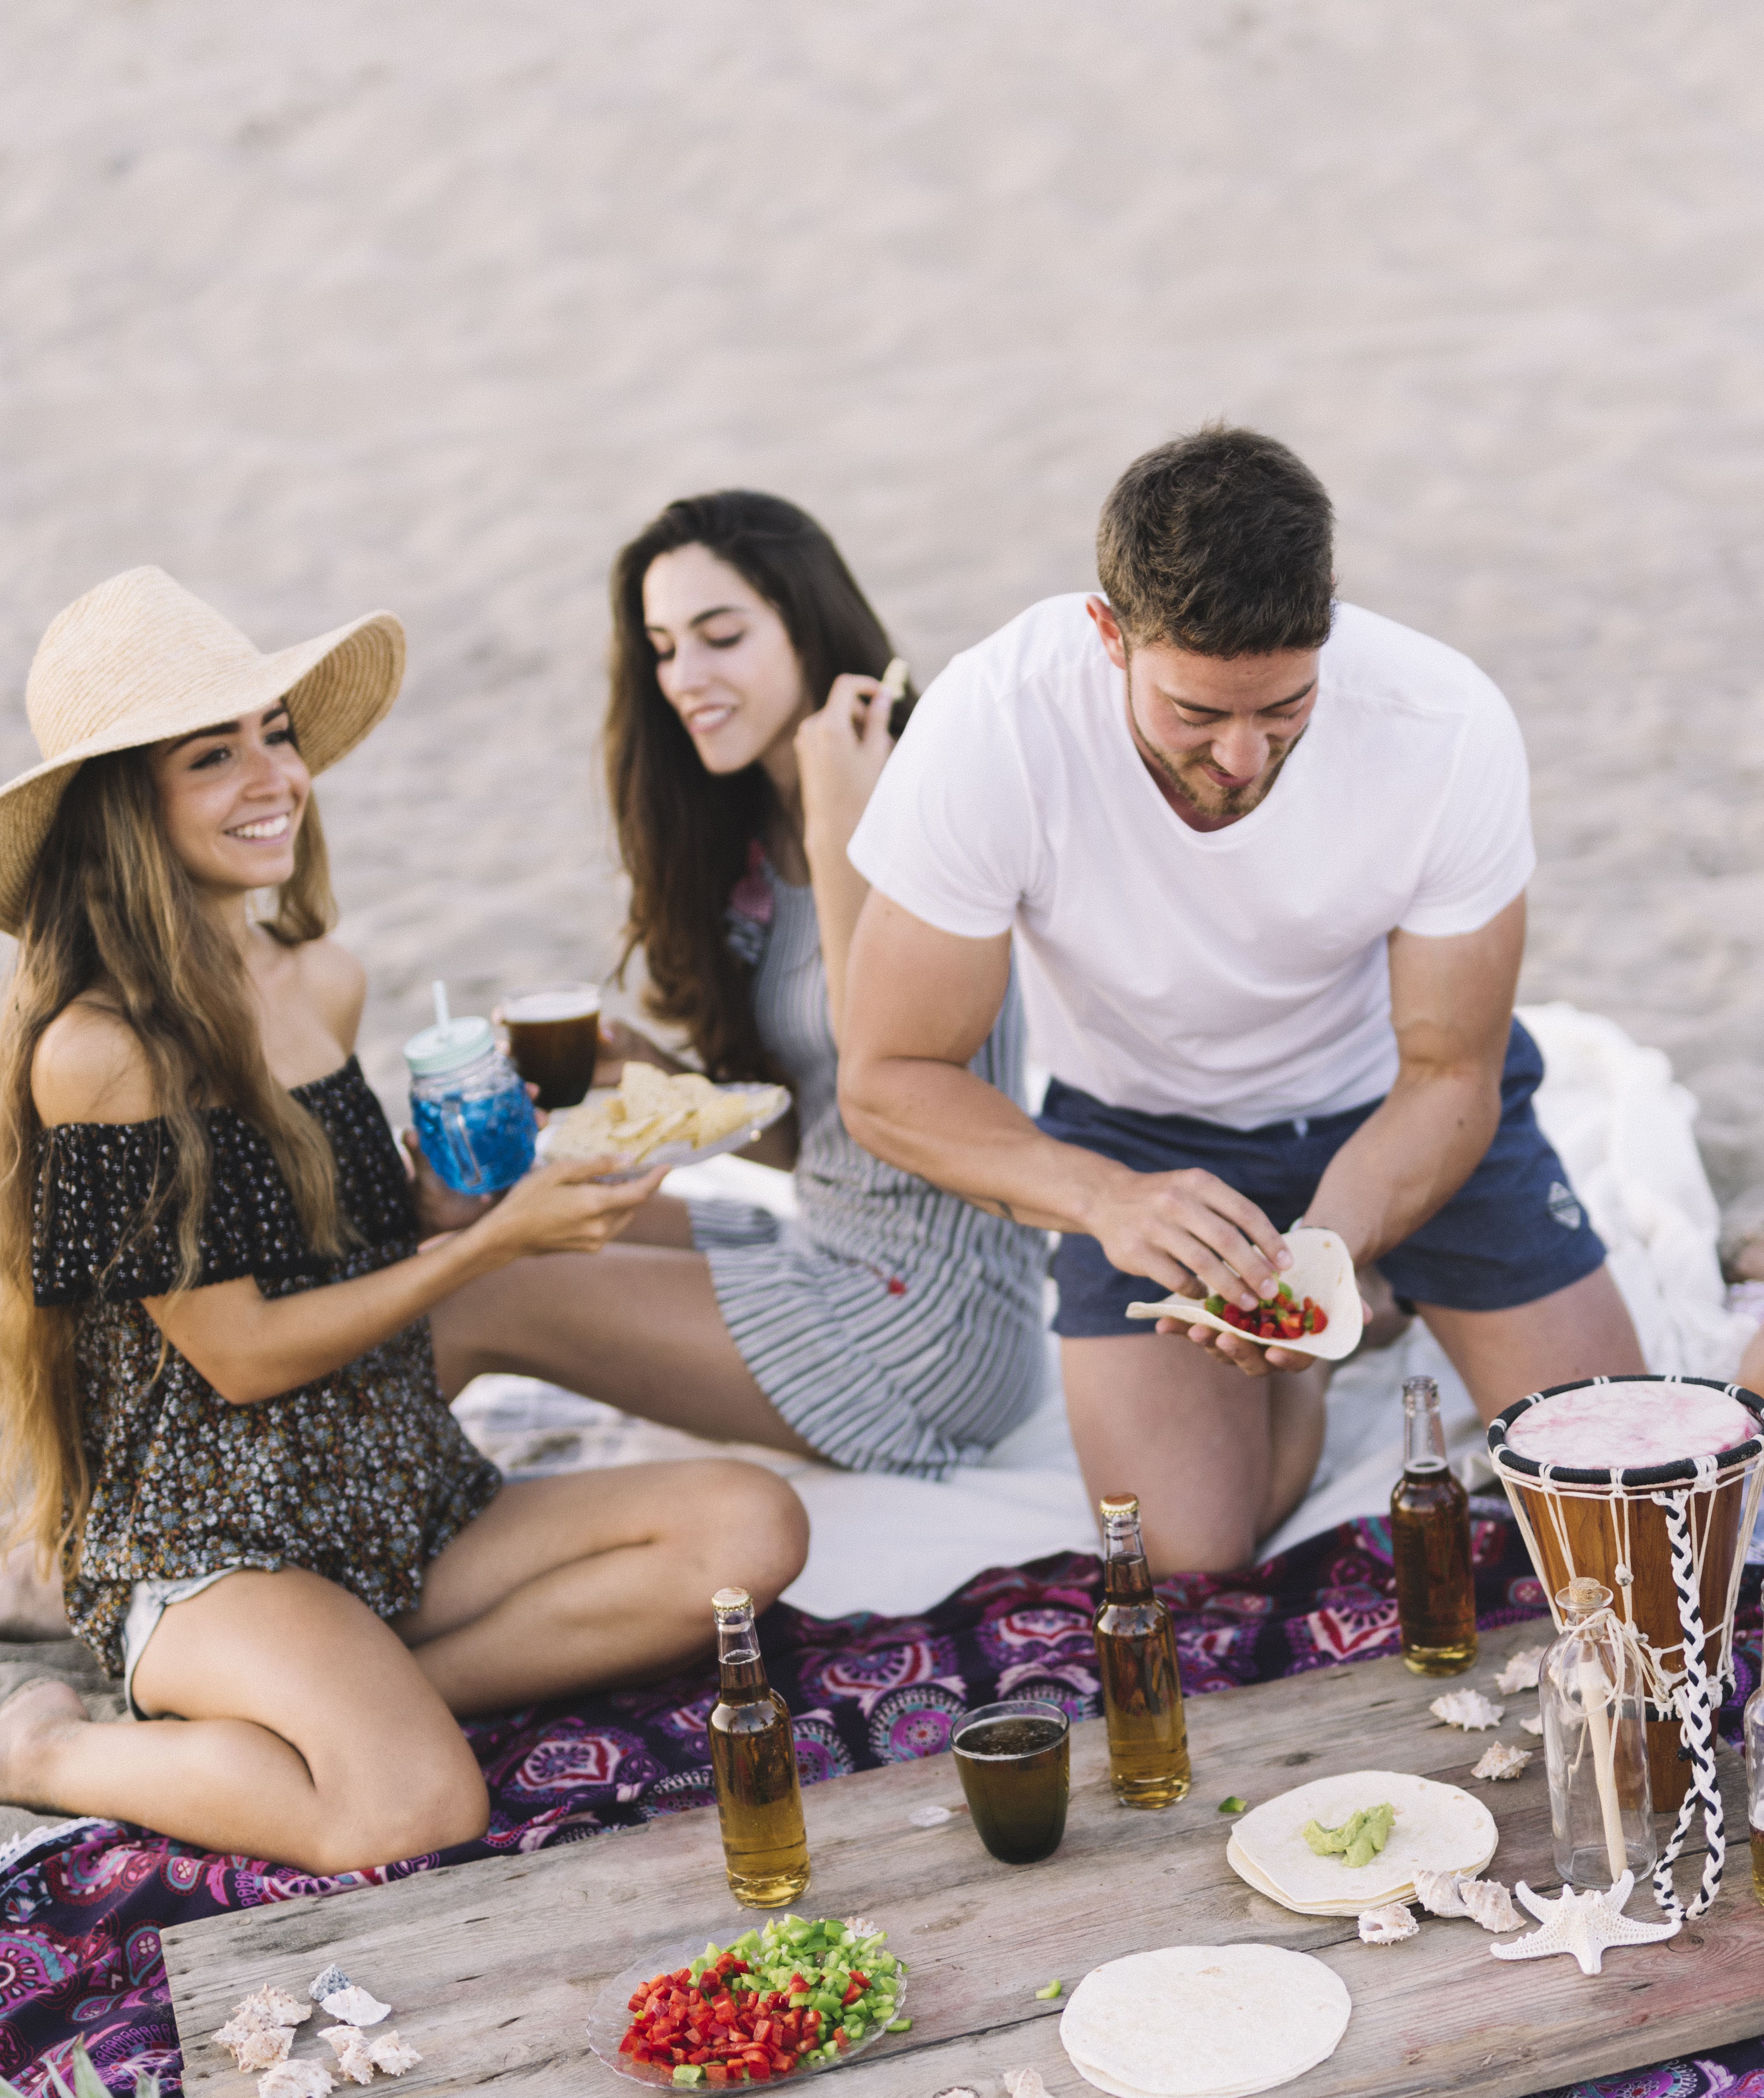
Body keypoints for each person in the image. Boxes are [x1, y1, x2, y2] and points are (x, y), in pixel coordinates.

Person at [0, 567, 806, 1873]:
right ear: (125, 812)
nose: (277, 777)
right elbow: (239, 1353)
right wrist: (490, 1247)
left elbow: (355, 1243)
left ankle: (361, 1688)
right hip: (220, 1540)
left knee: (752, 1531)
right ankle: (50, 1750)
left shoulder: (322, 977)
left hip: (395, 1485)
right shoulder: (98, 1052)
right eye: (217, 756)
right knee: (412, 1812)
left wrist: (471, 1190)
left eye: (278, 736)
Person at [838, 428, 1644, 1574]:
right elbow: (888, 1078)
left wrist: (1322, 1255)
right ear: (1107, 636)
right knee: (1188, 1561)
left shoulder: (1444, 722)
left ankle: (1372, 1289)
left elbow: (1453, 1072)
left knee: (1622, 1505)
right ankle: (1339, 1353)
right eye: (1197, 716)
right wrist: (1108, 1201)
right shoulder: (993, 723)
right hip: (1137, 1132)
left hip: (1397, 1113)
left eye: (1285, 708)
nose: (1243, 758)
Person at [426, 491, 1048, 1476]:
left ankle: (328, 1563)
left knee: (469, 1299)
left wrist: (841, 810)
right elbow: (817, 1134)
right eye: (665, 648)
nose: (684, 677)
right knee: (494, 1218)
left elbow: (882, 1081)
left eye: (720, 636)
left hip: (930, 1315)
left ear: (808, 627)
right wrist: (643, 1070)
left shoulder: (916, 801)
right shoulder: (757, 840)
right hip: (820, 1233)